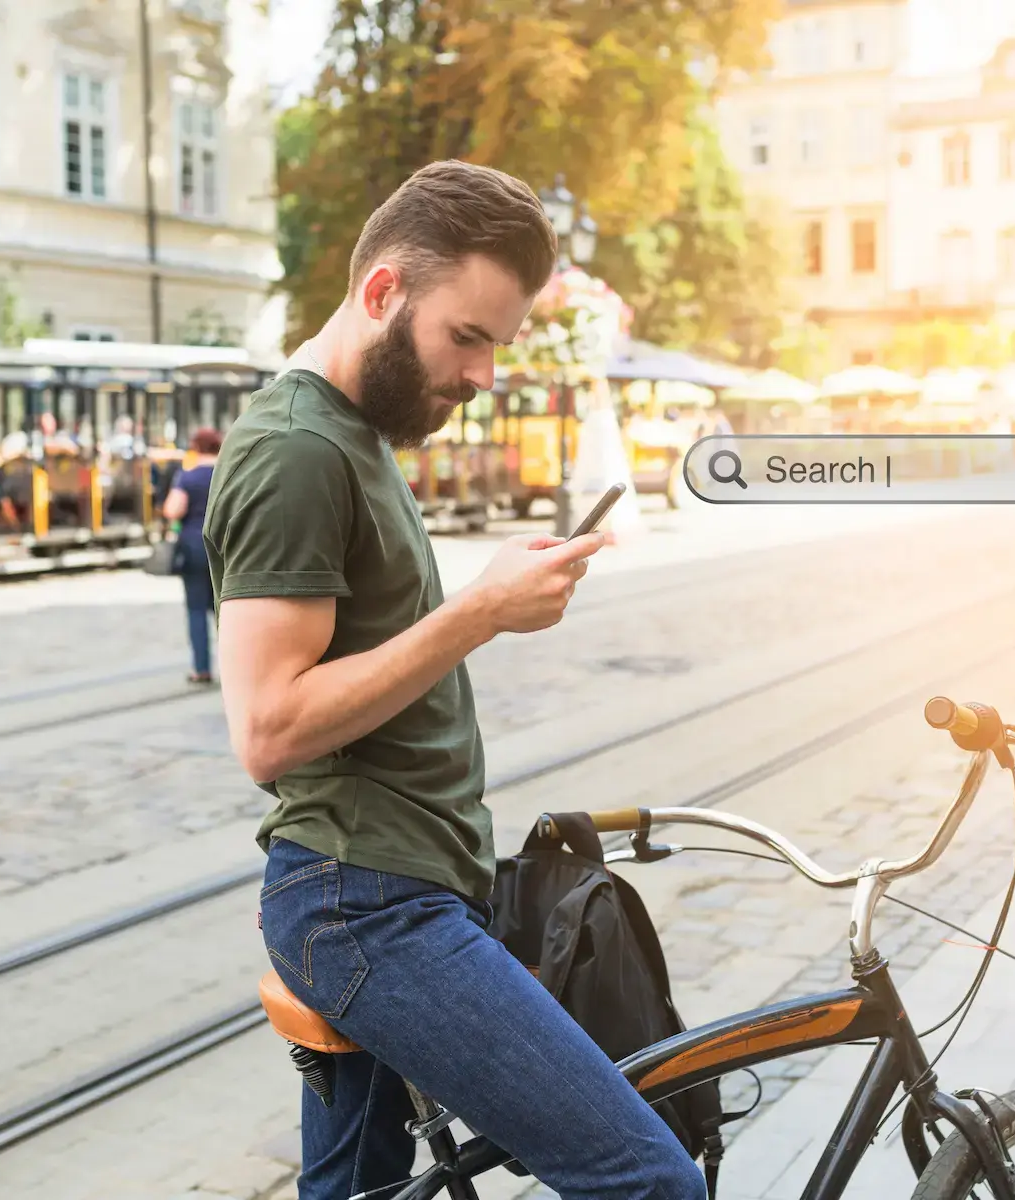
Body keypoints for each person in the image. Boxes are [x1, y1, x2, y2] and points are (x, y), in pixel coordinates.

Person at [205, 162, 699, 1200]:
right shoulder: (298, 450)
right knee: (651, 1182)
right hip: (368, 906)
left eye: (496, 345)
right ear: (383, 293)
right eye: (464, 337)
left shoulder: (355, 436)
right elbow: (267, 729)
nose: (482, 374)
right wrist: (478, 611)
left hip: (394, 889)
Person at [162, 427, 221, 684]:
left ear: (196, 448)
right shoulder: (229, 473)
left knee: (196, 609)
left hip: (194, 547)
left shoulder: (188, 477)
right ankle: (237, 668)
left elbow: (172, 510)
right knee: (226, 610)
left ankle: (201, 668)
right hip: (225, 548)